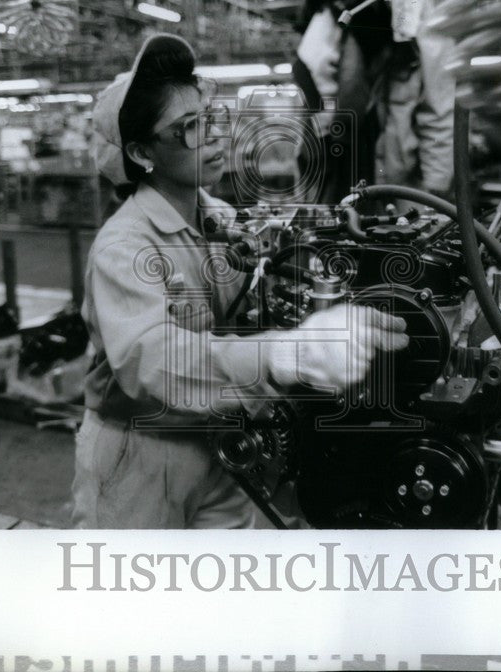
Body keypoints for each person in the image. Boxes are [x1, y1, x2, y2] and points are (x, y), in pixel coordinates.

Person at [74, 33, 408, 529]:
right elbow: (151, 361)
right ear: (143, 152)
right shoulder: (122, 249)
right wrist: (284, 354)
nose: (212, 137)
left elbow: (248, 306)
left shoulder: (223, 218)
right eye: (188, 129)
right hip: (139, 455)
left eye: (210, 119)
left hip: (223, 440)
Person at [292, 0, 456, 204]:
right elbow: (315, 90)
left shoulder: (422, 30)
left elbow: (438, 112)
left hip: (401, 181)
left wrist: (435, 191)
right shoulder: (329, 24)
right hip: (347, 161)